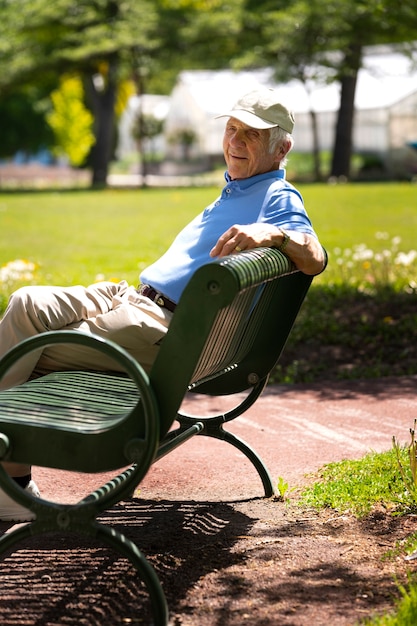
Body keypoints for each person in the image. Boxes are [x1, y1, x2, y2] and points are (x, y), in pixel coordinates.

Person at [0, 87, 325, 521]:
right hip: (128, 298)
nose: (235, 142)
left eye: (251, 135)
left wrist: (276, 235)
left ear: (281, 147)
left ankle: (12, 483)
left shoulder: (276, 198)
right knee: (25, 304)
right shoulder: (237, 190)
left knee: (26, 349)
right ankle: (12, 480)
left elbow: (315, 256)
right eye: (232, 130)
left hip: (159, 329)